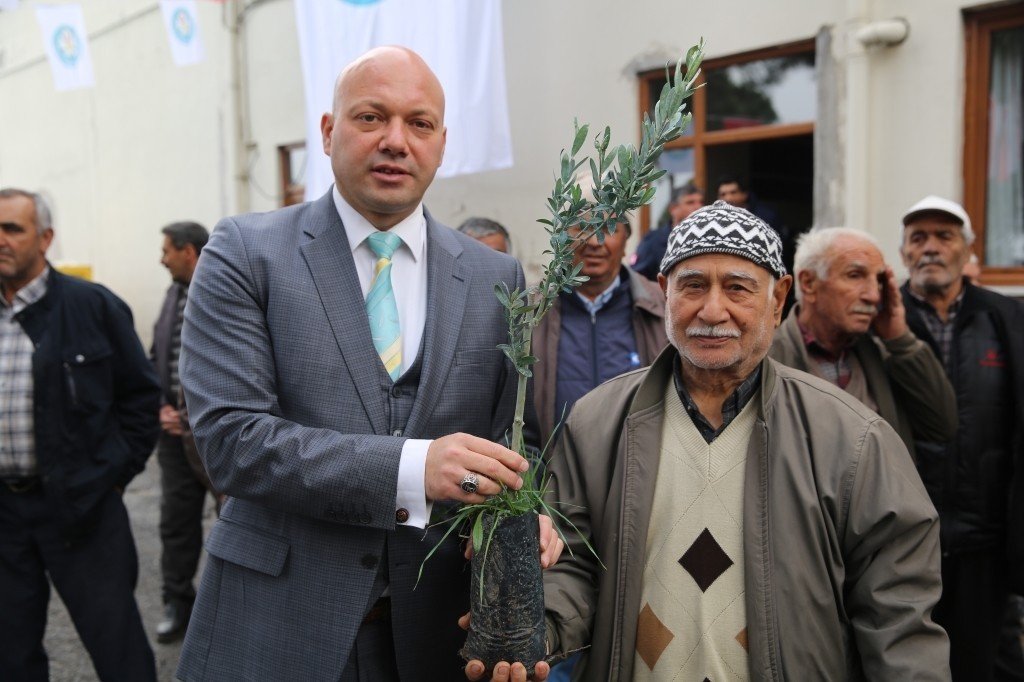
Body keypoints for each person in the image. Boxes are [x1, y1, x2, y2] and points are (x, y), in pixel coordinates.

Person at [176, 47, 561, 682]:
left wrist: (520, 512)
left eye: (420, 123)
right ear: (328, 133)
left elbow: (507, 438)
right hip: (277, 626)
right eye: (370, 117)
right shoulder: (246, 254)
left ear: (442, 143)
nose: (395, 141)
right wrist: (414, 467)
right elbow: (231, 441)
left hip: (435, 636)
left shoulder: (496, 277)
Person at [474, 201, 950, 681]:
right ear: (664, 292)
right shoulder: (596, 421)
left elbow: (898, 612)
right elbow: (570, 560)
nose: (712, 309)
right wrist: (537, 630)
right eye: (694, 285)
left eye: (738, 288)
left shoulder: (852, 439)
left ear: (779, 298)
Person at [0, 188, 160, 681]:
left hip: (82, 510)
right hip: (5, 516)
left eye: (12, 229)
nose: (0, 240)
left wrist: (111, 476)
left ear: (45, 238)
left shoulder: (92, 306)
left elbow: (141, 398)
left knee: (117, 647)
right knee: (11, 651)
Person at [899, 195, 1024, 681]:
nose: (931, 248)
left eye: (944, 236)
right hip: (907, 540)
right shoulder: (884, 321)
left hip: (985, 539)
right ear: (904, 252)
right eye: (919, 238)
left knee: (985, 661)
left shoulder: (1005, 318)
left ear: (968, 248)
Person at [769, 226, 956, 454]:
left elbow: (942, 427)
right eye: (855, 275)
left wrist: (900, 339)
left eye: (878, 280)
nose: (874, 295)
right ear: (808, 283)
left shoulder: (884, 355)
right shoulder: (765, 358)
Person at [532, 219, 666, 445]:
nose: (594, 241)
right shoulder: (529, 312)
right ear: (563, 239)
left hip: (636, 472)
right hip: (552, 474)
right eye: (581, 228)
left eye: (608, 229)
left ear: (626, 239)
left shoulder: (662, 307)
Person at [150, 220, 211, 643]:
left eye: (167, 250)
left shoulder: (223, 287)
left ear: (188, 251)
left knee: (237, 523)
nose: (161, 257)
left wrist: (194, 417)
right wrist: (161, 408)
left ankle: (233, 612)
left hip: (215, 438)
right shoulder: (172, 295)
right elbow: (157, 357)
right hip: (173, 439)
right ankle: (178, 604)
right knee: (176, 524)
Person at [631, 182, 703, 280]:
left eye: (701, 202)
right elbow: (636, 278)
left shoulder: (707, 238)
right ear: (673, 209)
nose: (698, 207)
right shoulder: (653, 241)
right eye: (690, 202)